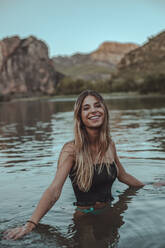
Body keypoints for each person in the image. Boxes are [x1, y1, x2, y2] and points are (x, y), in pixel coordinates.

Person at [3, 90, 164, 240]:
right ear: (80, 117)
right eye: (86, 108)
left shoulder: (109, 145)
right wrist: (30, 225)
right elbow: (54, 190)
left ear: (104, 111)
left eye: (97, 105)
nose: (93, 110)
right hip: (86, 219)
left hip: (112, 212)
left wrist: (150, 185)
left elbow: (123, 175)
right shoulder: (71, 150)